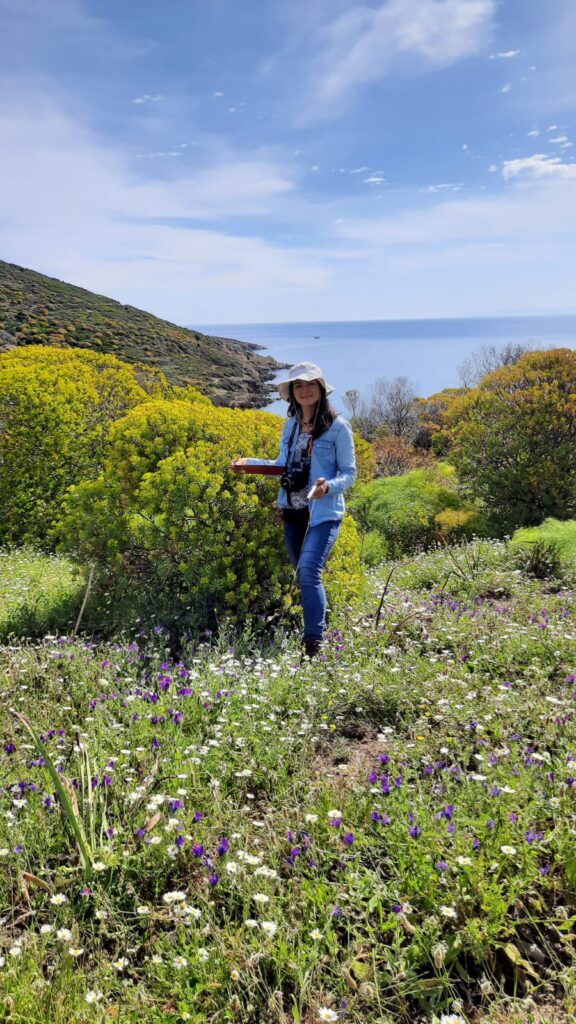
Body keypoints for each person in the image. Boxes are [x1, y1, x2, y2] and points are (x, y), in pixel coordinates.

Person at [232, 362, 356, 657]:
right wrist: (248, 464)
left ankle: (314, 645)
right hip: (293, 511)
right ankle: (322, 621)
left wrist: (329, 486)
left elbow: (350, 474)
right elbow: (282, 465)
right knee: (304, 576)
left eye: (310, 384)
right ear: (291, 393)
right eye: (298, 386)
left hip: (323, 513)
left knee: (309, 571)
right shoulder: (290, 425)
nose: (304, 390)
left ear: (321, 389)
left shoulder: (338, 427)